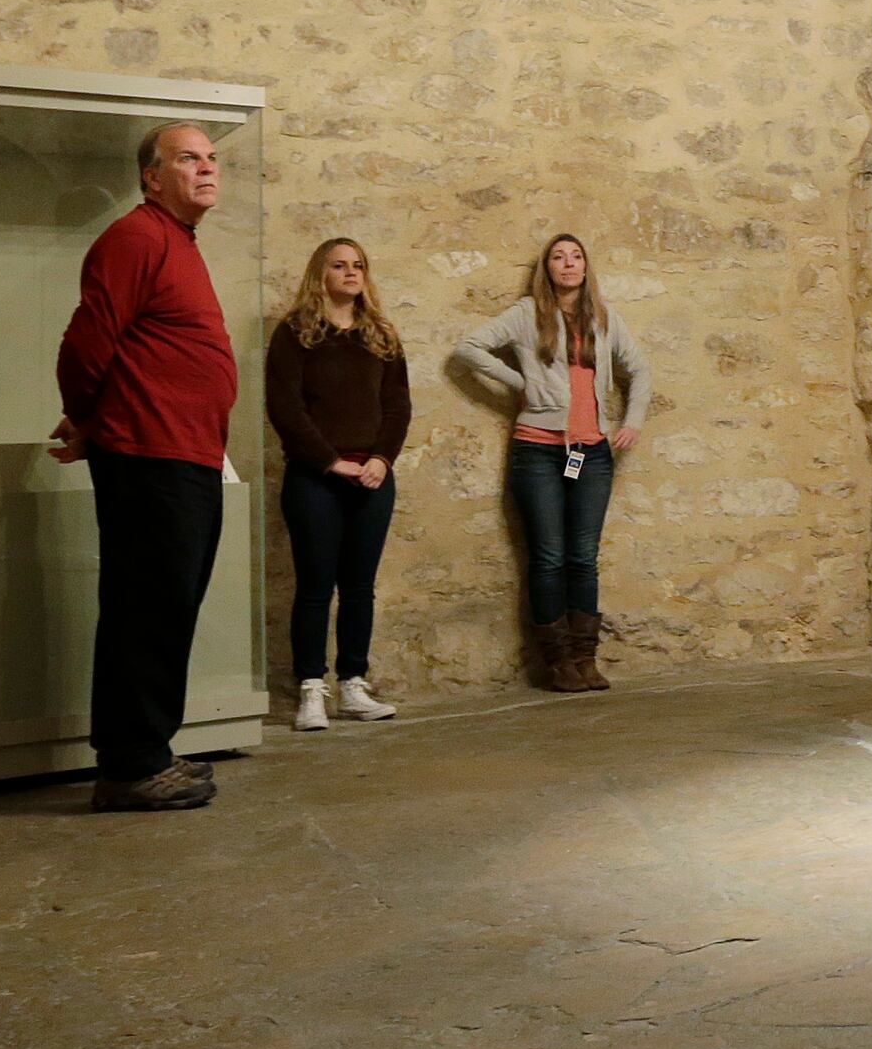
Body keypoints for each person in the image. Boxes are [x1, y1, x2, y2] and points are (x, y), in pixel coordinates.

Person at [51, 121, 241, 811]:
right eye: (188, 158)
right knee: (146, 610)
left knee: (168, 607)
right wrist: (90, 417)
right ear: (151, 177)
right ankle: (130, 765)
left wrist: (94, 420)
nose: (206, 168)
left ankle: (148, 750)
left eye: (212, 158)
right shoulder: (137, 237)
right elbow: (86, 343)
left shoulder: (178, 244)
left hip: (185, 454)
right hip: (152, 456)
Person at [450, 234, 651, 693]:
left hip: (591, 452)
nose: (569, 264)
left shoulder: (603, 318)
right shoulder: (526, 314)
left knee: (583, 559)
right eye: (559, 257)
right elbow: (468, 348)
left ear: (586, 267)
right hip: (538, 449)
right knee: (548, 557)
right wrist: (518, 380)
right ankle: (558, 663)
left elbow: (639, 368)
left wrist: (632, 420)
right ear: (547, 268)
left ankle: (585, 658)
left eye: (576, 256)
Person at [266, 238, 411, 732]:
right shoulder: (295, 333)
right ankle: (310, 689)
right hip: (316, 479)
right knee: (314, 587)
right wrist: (329, 462)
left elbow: (397, 406)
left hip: (371, 478)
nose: (351, 273)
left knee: (359, 588)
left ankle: (353, 682)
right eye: (339, 265)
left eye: (359, 266)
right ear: (320, 273)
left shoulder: (381, 336)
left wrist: (381, 459)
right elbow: (286, 408)